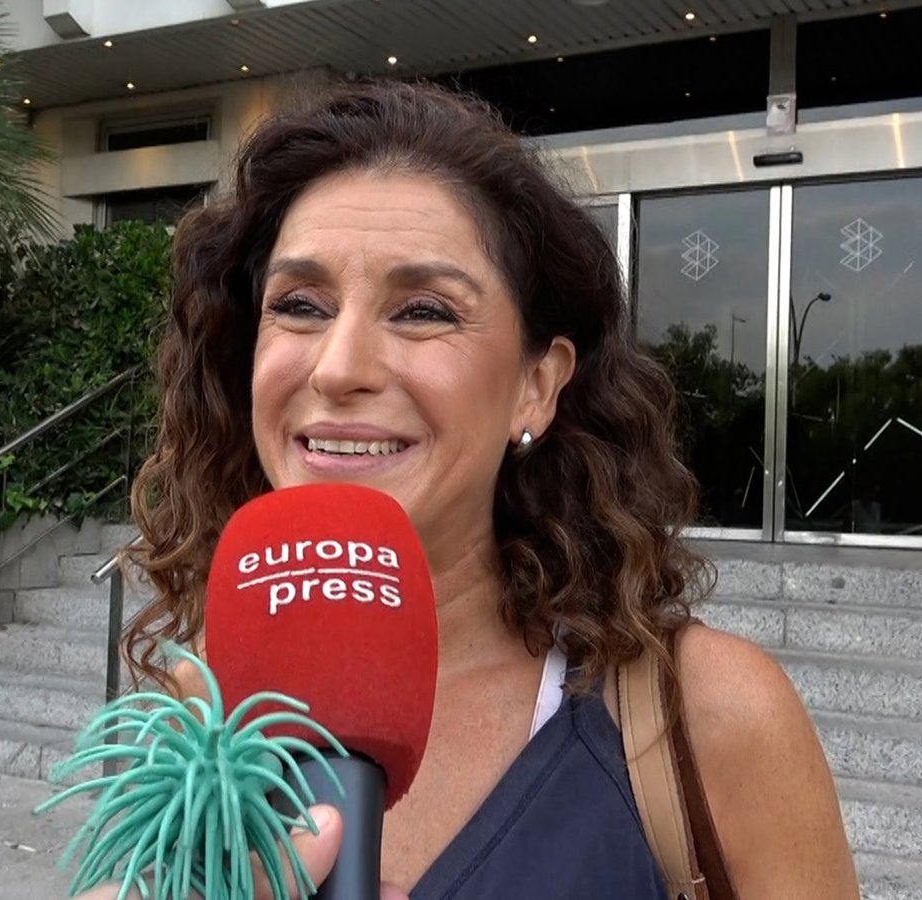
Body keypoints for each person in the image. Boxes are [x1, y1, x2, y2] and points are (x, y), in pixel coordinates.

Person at [94, 80, 859, 899]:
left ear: (537, 385)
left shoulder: (710, 716)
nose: (339, 368)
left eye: (423, 311)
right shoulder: (199, 710)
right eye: (301, 304)